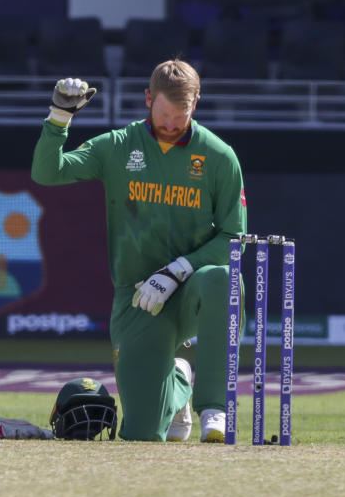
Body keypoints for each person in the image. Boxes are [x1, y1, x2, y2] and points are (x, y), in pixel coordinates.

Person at [31, 59, 247, 442]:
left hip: (192, 290)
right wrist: (60, 117)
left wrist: (178, 270)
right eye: (163, 114)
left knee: (225, 279)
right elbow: (48, 173)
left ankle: (214, 407)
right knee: (142, 435)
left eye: (180, 116)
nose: (170, 124)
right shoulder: (118, 146)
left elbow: (234, 238)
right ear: (148, 99)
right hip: (138, 298)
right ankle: (179, 380)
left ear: (195, 104)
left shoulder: (219, 156)